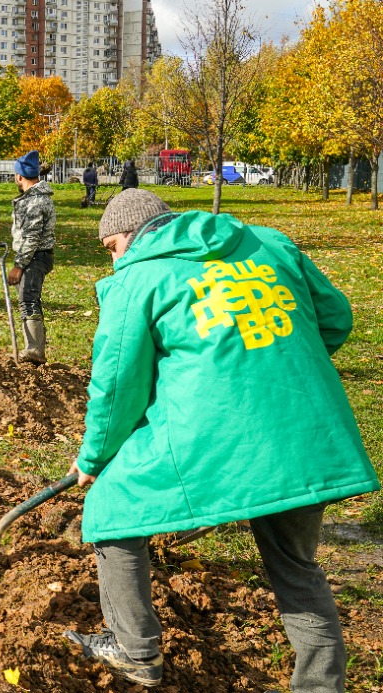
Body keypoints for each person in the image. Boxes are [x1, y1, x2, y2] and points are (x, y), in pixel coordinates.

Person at [63, 189, 380, 691]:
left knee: (110, 508)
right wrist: (275, 361)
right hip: (302, 435)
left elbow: (118, 386)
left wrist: (94, 458)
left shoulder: (139, 280)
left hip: (213, 441)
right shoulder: (268, 245)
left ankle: (133, 649)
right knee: (296, 566)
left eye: (111, 246)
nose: (114, 257)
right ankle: (322, 686)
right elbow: (336, 320)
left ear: (131, 236)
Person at [6, 150, 55, 364]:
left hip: (35, 256)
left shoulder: (36, 201)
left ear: (19, 176)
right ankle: (33, 347)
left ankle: (35, 350)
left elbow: (33, 237)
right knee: (27, 299)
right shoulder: (32, 198)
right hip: (31, 256)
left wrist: (18, 265)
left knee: (29, 299)